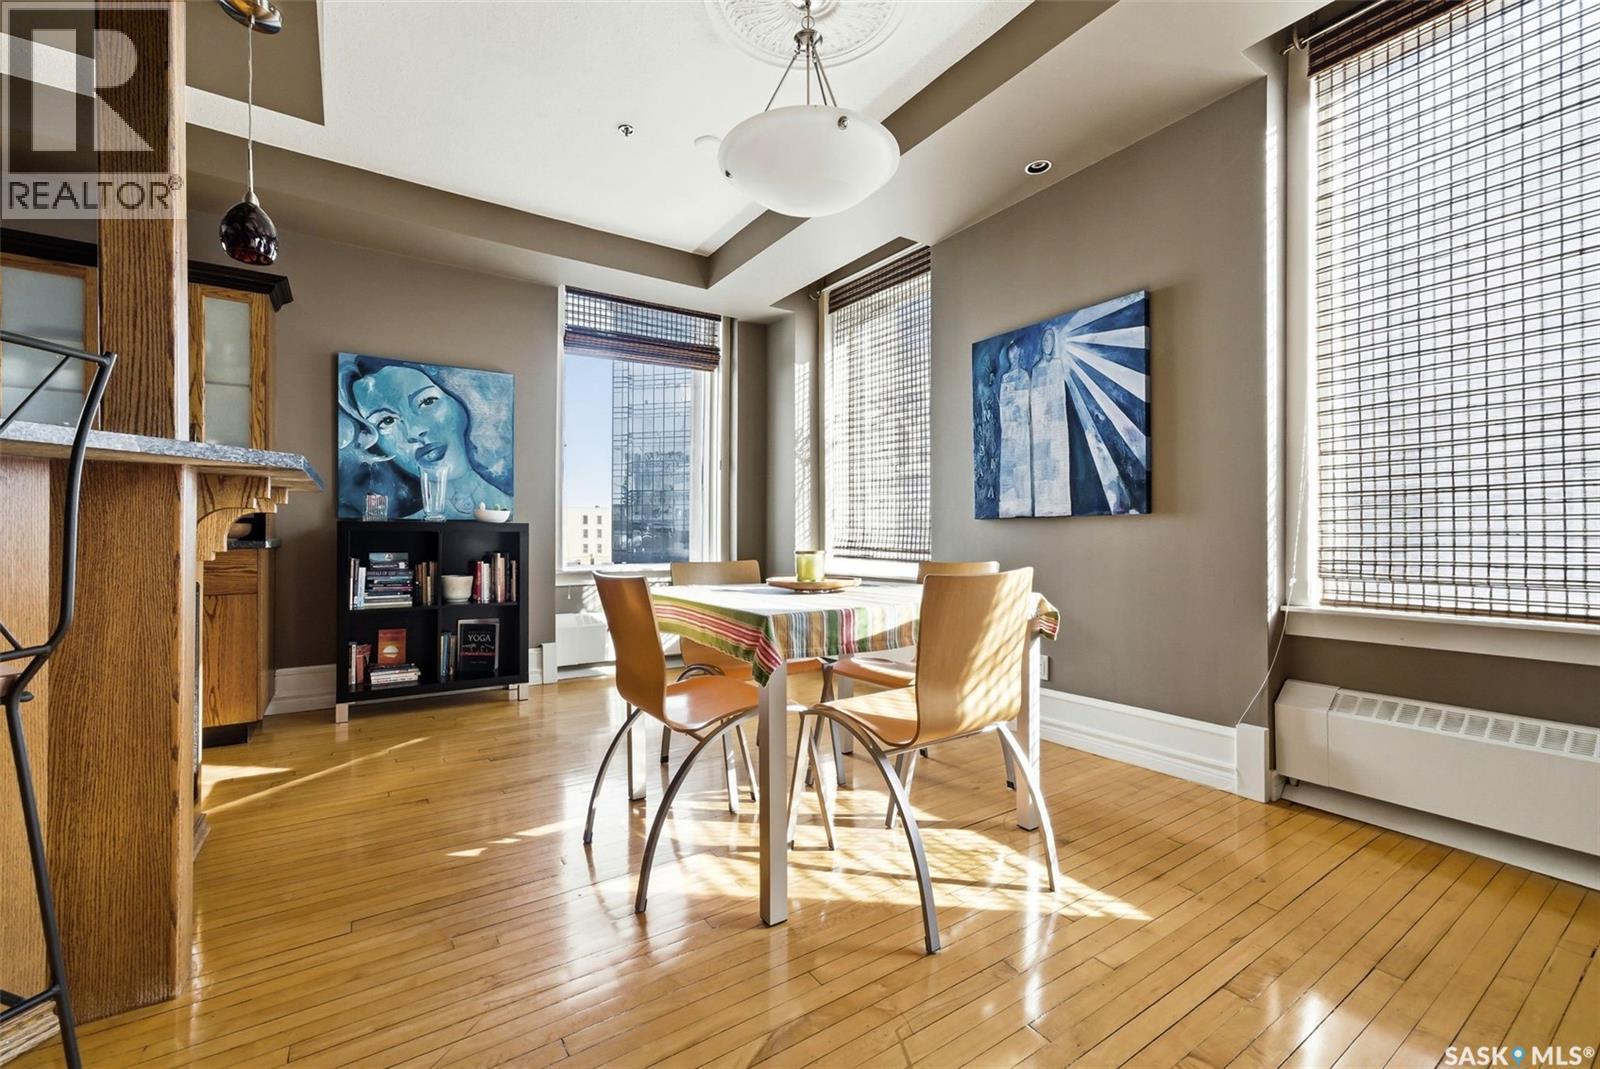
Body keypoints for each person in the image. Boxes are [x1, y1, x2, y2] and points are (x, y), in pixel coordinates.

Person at [338, 357, 510, 519]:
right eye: (386, 421)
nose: (414, 431)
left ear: (461, 401)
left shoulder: (508, 505)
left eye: (427, 401)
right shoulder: (398, 530)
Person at [1030, 325, 1073, 515]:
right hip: (1041, 428)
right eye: (1045, 340)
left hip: (1056, 427)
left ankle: (1059, 506)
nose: (1048, 343)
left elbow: (1059, 398)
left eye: (1051, 340)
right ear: (1041, 343)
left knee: (1058, 468)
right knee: (1042, 471)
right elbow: (1035, 401)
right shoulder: (1036, 370)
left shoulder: (1057, 365)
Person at [997, 339, 1033, 517]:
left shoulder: (1024, 376)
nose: (1014, 357)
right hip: (1009, 430)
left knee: (1022, 469)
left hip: (1021, 429)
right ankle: (1009, 506)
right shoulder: (1005, 378)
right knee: (1009, 470)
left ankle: (1023, 506)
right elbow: (1003, 404)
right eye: (1012, 354)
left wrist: (1016, 408)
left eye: (1017, 354)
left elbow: (1025, 403)